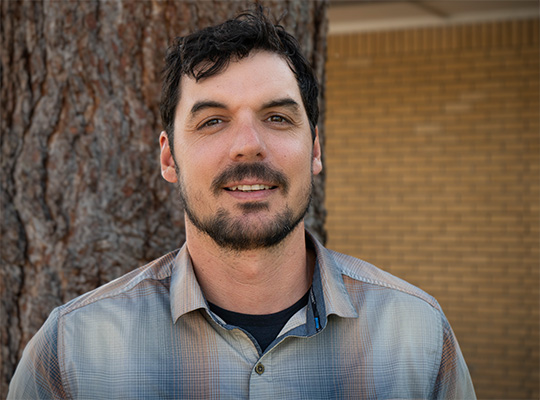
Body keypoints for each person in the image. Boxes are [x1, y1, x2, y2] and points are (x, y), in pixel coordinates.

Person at [8, 7, 476, 399]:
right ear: (169, 157)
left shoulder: (418, 337)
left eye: (277, 117)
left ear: (314, 150)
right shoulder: (71, 353)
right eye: (213, 121)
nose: (248, 145)